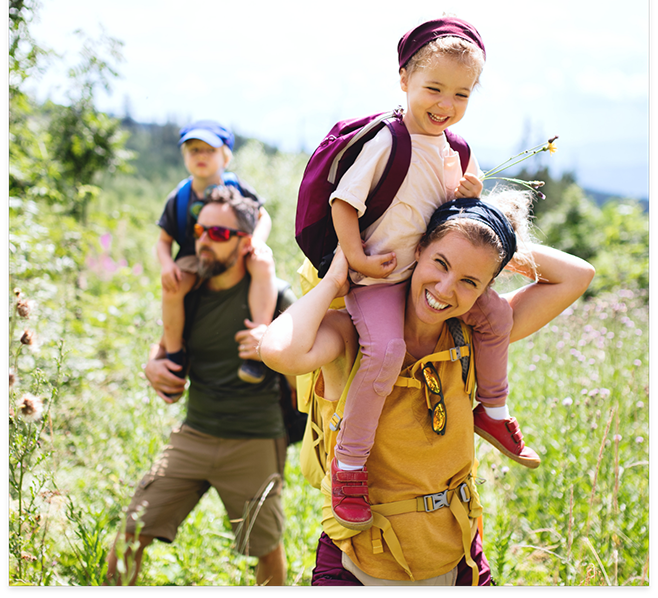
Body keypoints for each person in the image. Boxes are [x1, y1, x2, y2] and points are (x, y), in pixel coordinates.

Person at [260, 191, 595, 585]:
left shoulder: (475, 336)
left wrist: (492, 235)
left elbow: (578, 275)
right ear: (416, 249)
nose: (446, 289)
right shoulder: (353, 335)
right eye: (441, 262)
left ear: (485, 288)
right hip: (357, 563)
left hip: (458, 560)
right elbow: (279, 351)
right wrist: (335, 278)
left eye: (470, 281)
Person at [325, 17, 537, 531]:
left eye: (461, 94)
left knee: (493, 318)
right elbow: (344, 202)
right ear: (404, 80)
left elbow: (449, 221)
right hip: (379, 278)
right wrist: (354, 259)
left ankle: (493, 407)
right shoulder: (387, 139)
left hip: (425, 271)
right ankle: (349, 465)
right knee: (386, 350)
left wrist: (466, 194)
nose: (446, 104)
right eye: (434, 89)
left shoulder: (453, 150)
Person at [107, 186, 294, 586]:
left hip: (255, 438)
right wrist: (151, 367)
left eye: (219, 234)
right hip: (194, 433)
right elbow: (163, 349)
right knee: (130, 533)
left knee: (265, 547)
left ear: (246, 243)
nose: (204, 241)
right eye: (200, 230)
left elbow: (308, 367)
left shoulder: (276, 297)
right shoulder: (189, 291)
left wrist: (274, 350)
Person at [156, 119, 277, 386]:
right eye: (193, 150)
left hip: (234, 250)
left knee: (263, 263)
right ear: (184, 156)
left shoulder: (238, 187)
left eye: (209, 150)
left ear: (225, 156)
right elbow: (163, 240)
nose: (201, 156)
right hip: (193, 256)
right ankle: (175, 355)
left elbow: (262, 216)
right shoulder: (179, 197)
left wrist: (256, 241)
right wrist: (167, 265)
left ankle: (256, 342)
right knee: (172, 288)